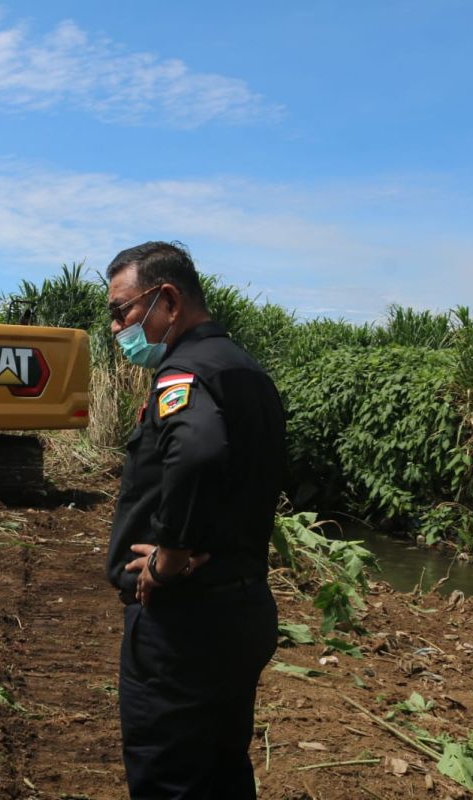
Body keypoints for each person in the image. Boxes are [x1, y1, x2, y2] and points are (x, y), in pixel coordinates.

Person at [104, 241, 286, 799]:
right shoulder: (244, 369)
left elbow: (199, 451)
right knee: (222, 770)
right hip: (242, 608)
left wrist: (170, 555)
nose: (116, 328)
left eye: (122, 311)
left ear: (167, 301)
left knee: (170, 780)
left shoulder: (184, 372)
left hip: (184, 625)